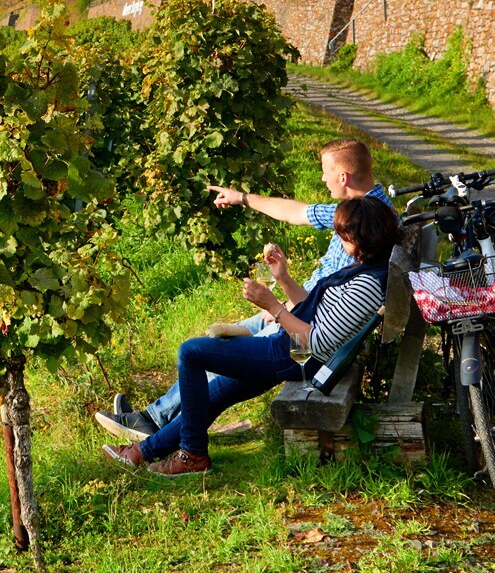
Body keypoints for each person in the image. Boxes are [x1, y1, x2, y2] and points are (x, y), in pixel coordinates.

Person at [94, 138, 394, 442]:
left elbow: (332, 318)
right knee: (221, 341)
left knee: (210, 356)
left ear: (342, 177)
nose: (322, 178)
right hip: (305, 314)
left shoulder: (363, 222)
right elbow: (297, 212)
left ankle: (168, 435)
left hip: (308, 332)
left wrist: (279, 310)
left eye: (325, 171)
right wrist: (242, 199)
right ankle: (156, 421)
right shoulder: (358, 211)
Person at [102, 196, 401, 477]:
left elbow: (318, 342)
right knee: (217, 392)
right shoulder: (364, 269)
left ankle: (192, 453)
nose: (339, 238)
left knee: (191, 352)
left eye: (343, 234)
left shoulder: (367, 285)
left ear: (362, 239)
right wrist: (283, 278)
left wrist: (272, 306)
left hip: (296, 357)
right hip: (293, 349)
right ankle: (143, 452)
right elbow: (314, 308)